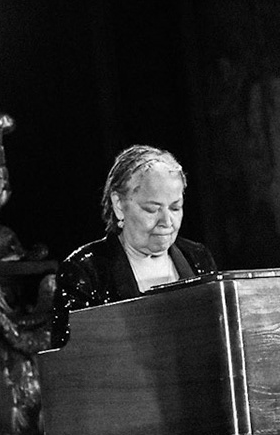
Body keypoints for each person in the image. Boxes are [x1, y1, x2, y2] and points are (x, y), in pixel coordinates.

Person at [54, 144, 217, 347]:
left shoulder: (197, 257)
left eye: (175, 208)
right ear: (119, 205)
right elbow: (70, 361)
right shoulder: (85, 271)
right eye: (151, 209)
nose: (167, 221)